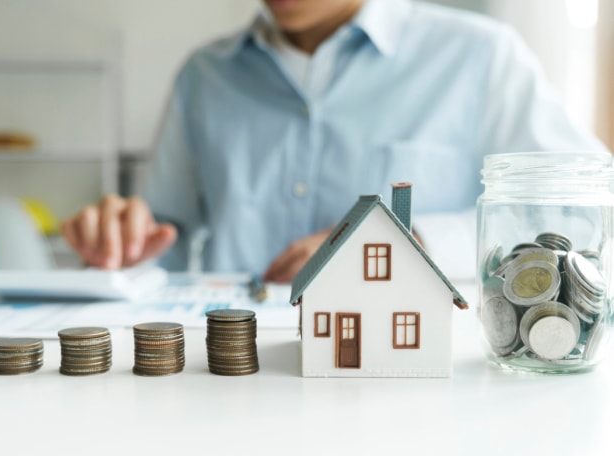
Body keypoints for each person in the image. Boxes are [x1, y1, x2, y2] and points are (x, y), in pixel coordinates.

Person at [61, 0, 606, 282]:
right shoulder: (204, 76)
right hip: (230, 383)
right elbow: (165, 240)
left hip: (417, 391)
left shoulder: (482, 58)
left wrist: (415, 243)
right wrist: (123, 247)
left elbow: (593, 206)